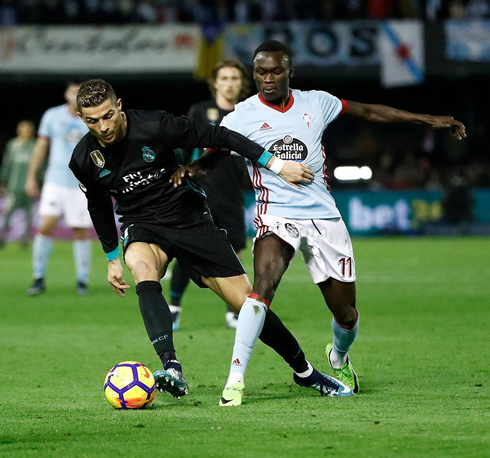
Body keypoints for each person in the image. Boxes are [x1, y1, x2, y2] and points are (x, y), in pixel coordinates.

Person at [171, 40, 467, 405]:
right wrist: (190, 171)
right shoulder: (241, 116)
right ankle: (235, 380)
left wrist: (430, 120)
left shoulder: (316, 102)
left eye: (275, 71)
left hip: (323, 217)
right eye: (260, 72)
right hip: (275, 214)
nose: (267, 78)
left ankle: (339, 357)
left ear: (289, 72)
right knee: (260, 289)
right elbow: (211, 158)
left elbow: (370, 112)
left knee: (346, 313)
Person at [69, 78, 353, 403]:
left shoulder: (157, 125)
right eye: (93, 121)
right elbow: (99, 205)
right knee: (142, 268)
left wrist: (276, 165)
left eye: (107, 116)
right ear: (82, 118)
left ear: (119, 106)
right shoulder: (83, 159)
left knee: (247, 303)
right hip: (142, 224)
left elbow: (222, 136)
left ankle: (305, 372)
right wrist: (110, 256)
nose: (103, 127)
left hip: (188, 217)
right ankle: (171, 367)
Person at [170, 59, 250, 331]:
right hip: (200, 192)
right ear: (215, 82)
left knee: (234, 253)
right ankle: (174, 308)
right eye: (224, 78)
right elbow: (182, 146)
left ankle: (233, 311)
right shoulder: (200, 111)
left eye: (235, 79)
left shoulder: (247, 112)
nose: (229, 83)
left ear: (242, 84)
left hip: (232, 195)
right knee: (189, 250)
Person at [25, 81, 92, 296]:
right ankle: (38, 277)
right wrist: (31, 177)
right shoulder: (52, 116)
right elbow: (41, 147)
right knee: (45, 225)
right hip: (55, 180)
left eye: (80, 92)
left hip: (81, 184)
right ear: (66, 94)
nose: (76, 95)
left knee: (81, 231)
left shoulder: (92, 117)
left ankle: (82, 280)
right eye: (73, 91)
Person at [0, 120, 37, 247]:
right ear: (19, 131)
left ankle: (25, 238)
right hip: (13, 187)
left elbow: (41, 167)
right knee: (8, 212)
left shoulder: (35, 146)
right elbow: (7, 164)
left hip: (29, 188)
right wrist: (3, 181)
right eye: (23, 129)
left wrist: (40, 183)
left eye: (28, 130)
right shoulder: (13, 145)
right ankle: (2, 236)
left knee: (28, 214)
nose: (26, 132)